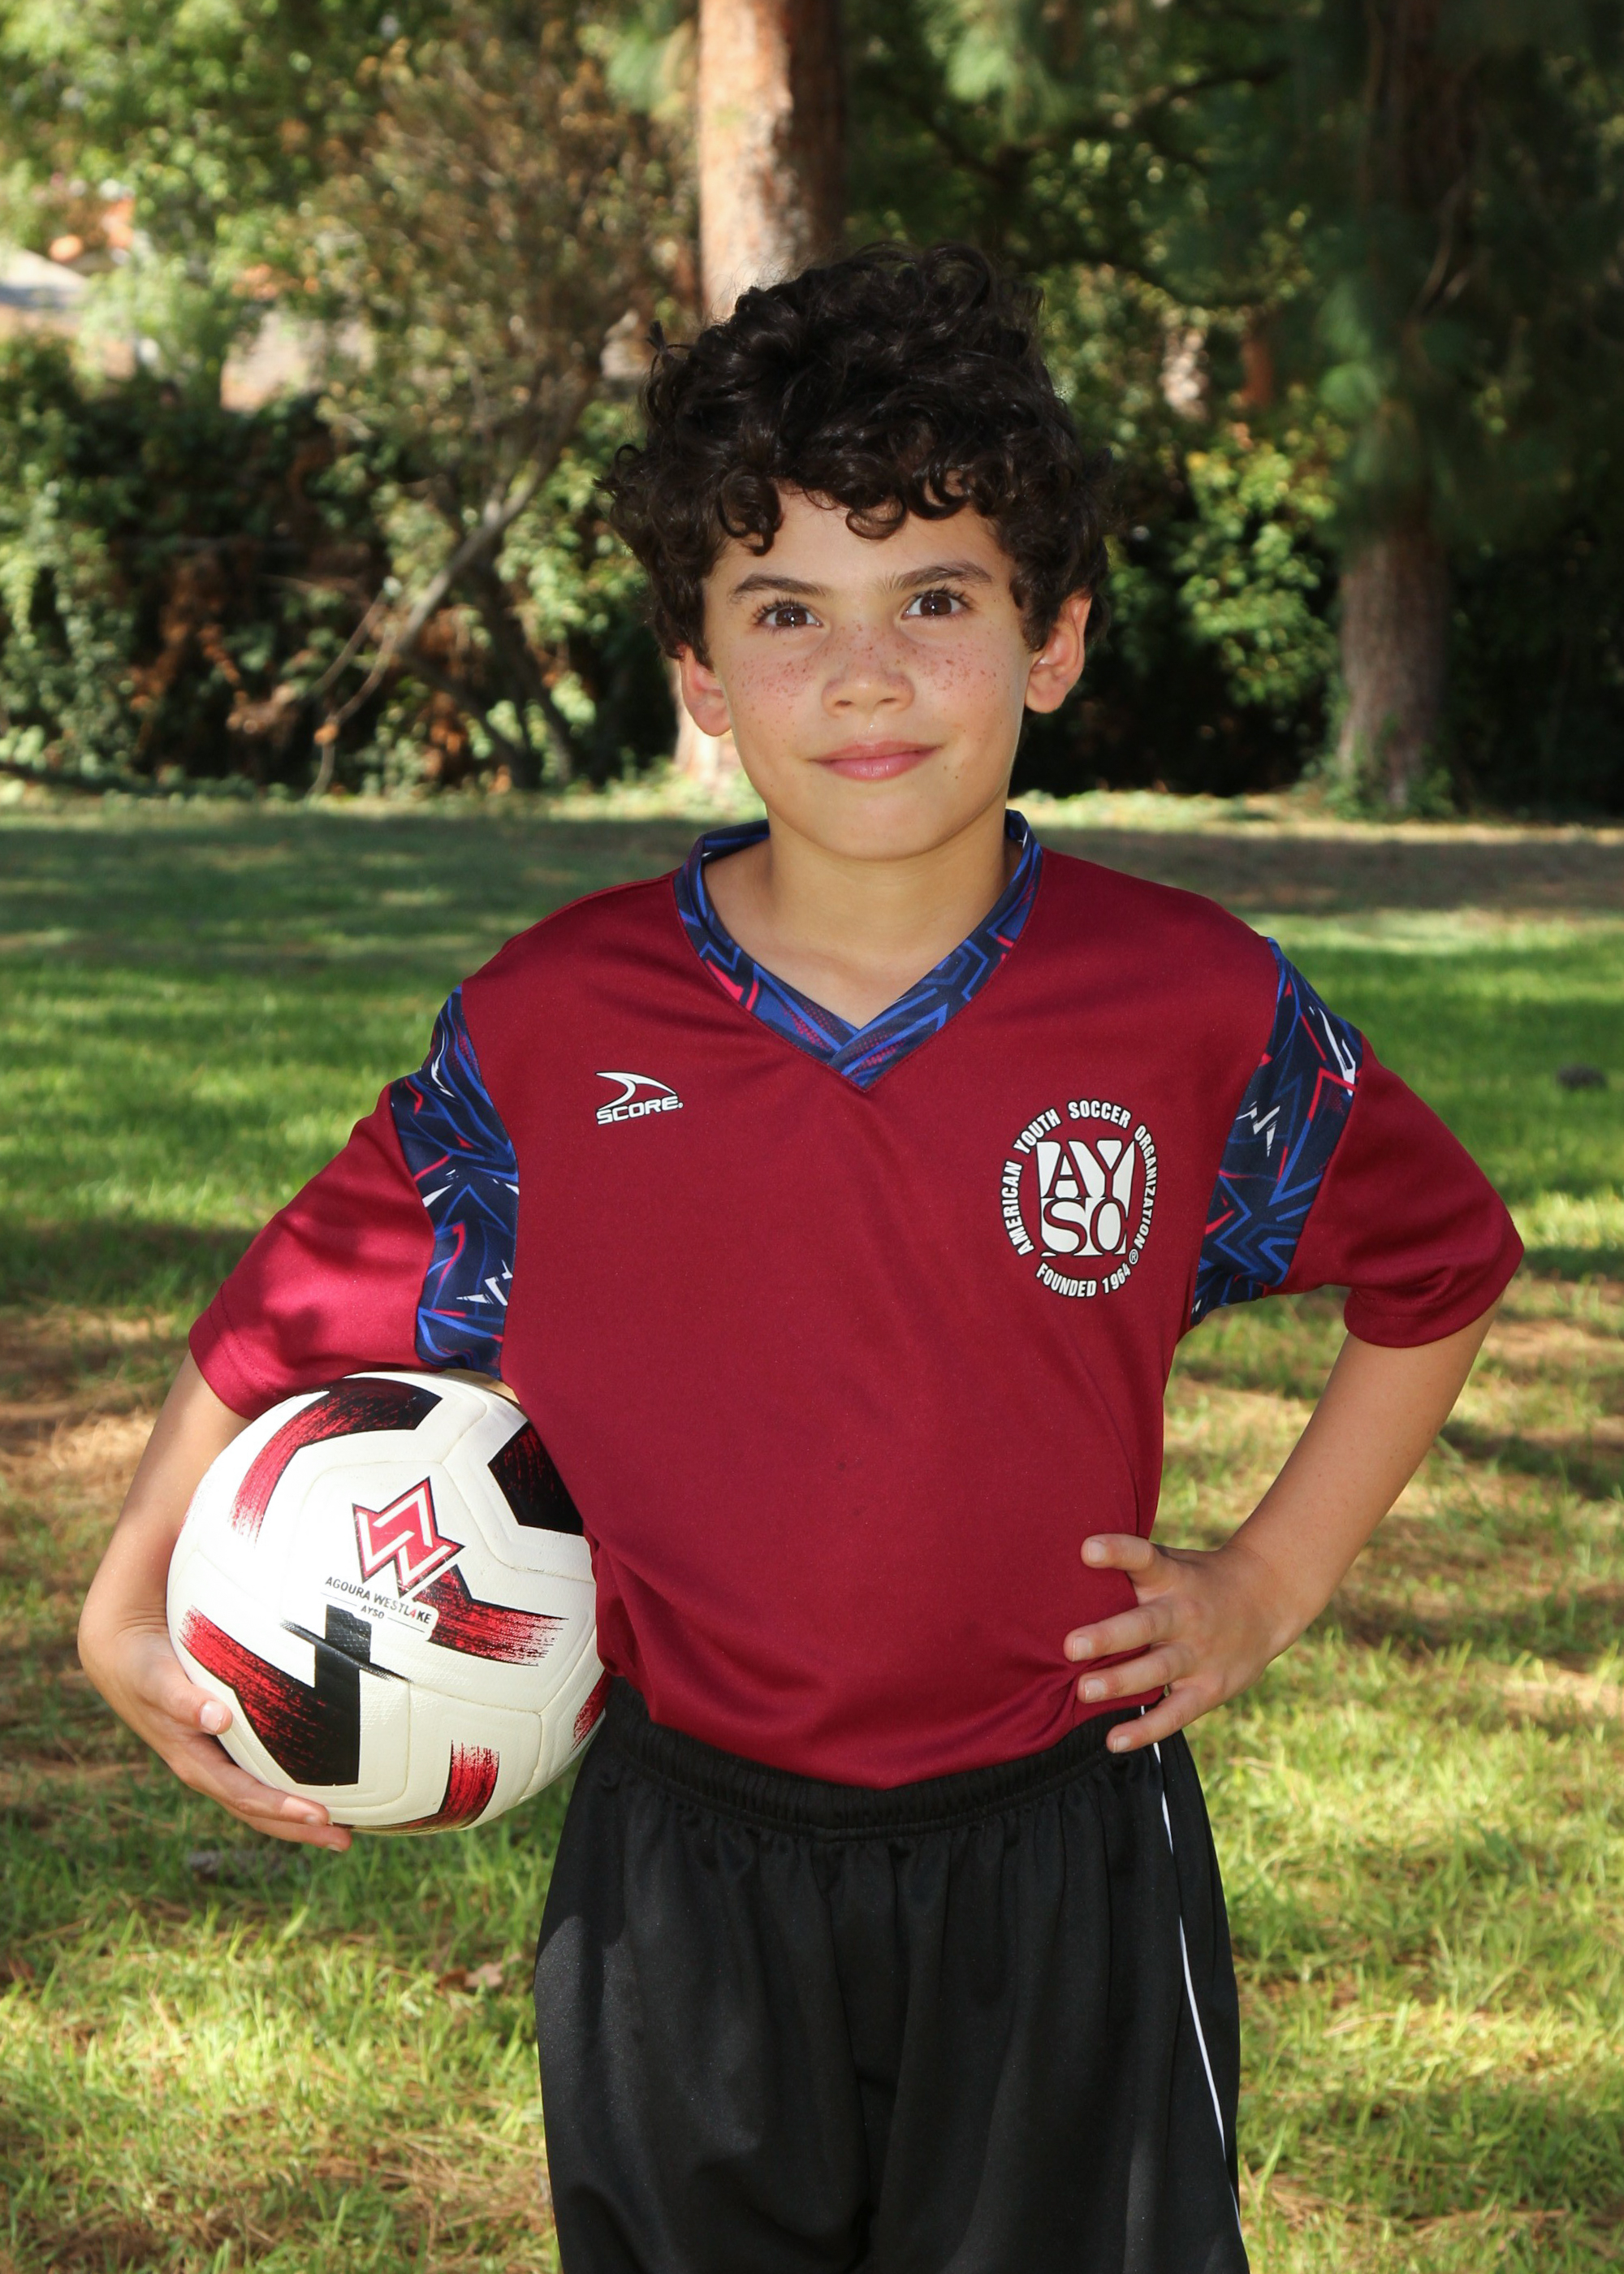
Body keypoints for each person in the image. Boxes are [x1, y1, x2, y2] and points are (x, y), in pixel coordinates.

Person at [79, 244, 1522, 2274]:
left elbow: (1438, 1261)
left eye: (934, 598)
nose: (863, 674)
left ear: (1052, 638)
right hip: (680, 1879)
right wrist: (129, 1587)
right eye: (785, 611)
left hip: (1060, 1851)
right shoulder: (555, 1024)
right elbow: (291, 1302)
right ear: (696, 672)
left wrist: (1266, 1578)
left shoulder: (1184, 1004)